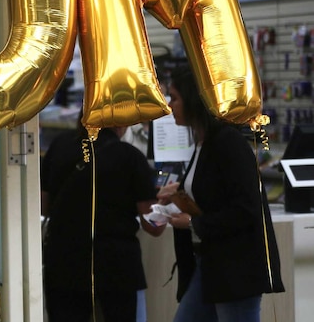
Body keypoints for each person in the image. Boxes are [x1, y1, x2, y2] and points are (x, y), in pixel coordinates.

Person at [158, 64, 284, 322]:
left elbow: (246, 208)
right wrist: (179, 193)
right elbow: (212, 191)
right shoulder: (203, 142)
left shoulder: (228, 143)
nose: (170, 105)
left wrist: (194, 223)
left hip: (236, 268)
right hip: (212, 264)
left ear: (193, 100)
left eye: (175, 97)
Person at [41, 117, 164, 322]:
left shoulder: (59, 146)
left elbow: (44, 206)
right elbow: (153, 225)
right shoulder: (129, 156)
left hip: (63, 262)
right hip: (116, 267)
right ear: (120, 120)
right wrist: (164, 202)